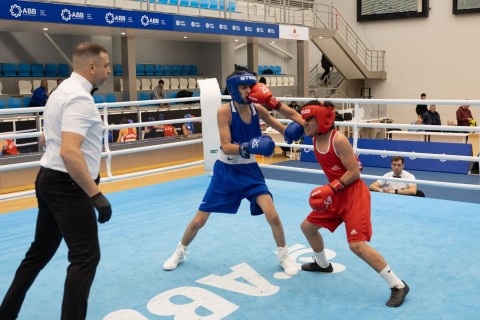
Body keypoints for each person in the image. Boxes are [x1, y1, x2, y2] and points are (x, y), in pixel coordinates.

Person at [0, 42, 112, 320]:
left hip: (49, 180)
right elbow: (69, 151)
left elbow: (47, 138)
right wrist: (96, 194)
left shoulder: (61, 91)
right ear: (91, 66)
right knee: (85, 257)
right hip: (68, 186)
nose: (109, 70)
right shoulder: (79, 99)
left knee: (39, 253)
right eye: (107, 65)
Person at [162, 70, 305, 276]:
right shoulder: (224, 112)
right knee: (198, 221)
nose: (248, 91)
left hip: (249, 171)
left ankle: (284, 256)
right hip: (225, 172)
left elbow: (291, 122)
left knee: (272, 215)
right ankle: (179, 251)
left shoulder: (258, 109)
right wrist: (251, 145)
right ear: (233, 90)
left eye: (250, 87)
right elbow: (227, 146)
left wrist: (279, 110)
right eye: (243, 87)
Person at [299, 100, 409, 307]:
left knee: (357, 246)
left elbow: (355, 172)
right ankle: (323, 265)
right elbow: (292, 116)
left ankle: (398, 285)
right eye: (304, 119)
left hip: (353, 194)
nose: (304, 123)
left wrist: (332, 188)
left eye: (308, 119)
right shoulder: (313, 134)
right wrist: (271, 103)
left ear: (321, 120)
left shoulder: (338, 139)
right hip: (335, 194)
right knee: (307, 227)